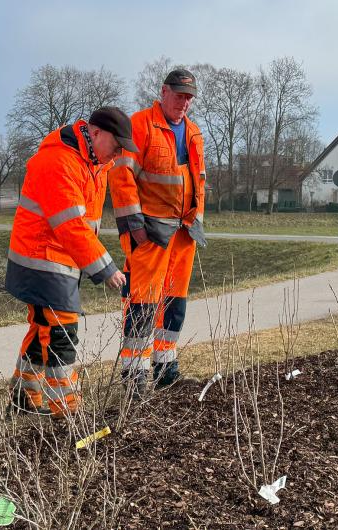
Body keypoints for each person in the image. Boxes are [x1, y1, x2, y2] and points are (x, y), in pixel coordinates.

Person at [6, 107, 133, 416]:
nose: (117, 156)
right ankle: (66, 410)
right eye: (116, 147)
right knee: (62, 334)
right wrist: (105, 267)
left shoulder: (95, 162)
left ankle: (23, 395)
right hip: (42, 259)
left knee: (42, 329)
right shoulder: (60, 161)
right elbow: (70, 225)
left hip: (59, 260)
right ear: (96, 133)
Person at [109, 69, 207, 393]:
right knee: (143, 302)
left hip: (183, 232)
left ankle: (166, 365)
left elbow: (198, 181)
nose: (184, 102)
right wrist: (134, 226)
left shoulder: (193, 133)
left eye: (189, 97)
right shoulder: (141, 125)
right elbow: (121, 178)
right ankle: (134, 373)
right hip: (150, 230)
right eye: (179, 95)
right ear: (163, 92)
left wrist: (198, 220)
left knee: (174, 302)